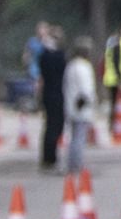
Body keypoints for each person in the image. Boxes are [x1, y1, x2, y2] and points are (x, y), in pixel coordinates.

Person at [63, 36, 97, 175]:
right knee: (79, 138)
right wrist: (88, 102)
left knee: (74, 137)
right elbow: (86, 89)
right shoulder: (84, 67)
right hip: (81, 106)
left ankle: (72, 163)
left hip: (71, 105)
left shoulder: (71, 65)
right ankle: (77, 164)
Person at [38, 27, 68, 173]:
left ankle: (49, 156)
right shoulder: (53, 56)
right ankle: (50, 157)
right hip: (55, 94)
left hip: (50, 94)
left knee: (52, 125)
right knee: (54, 126)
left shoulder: (45, 55)